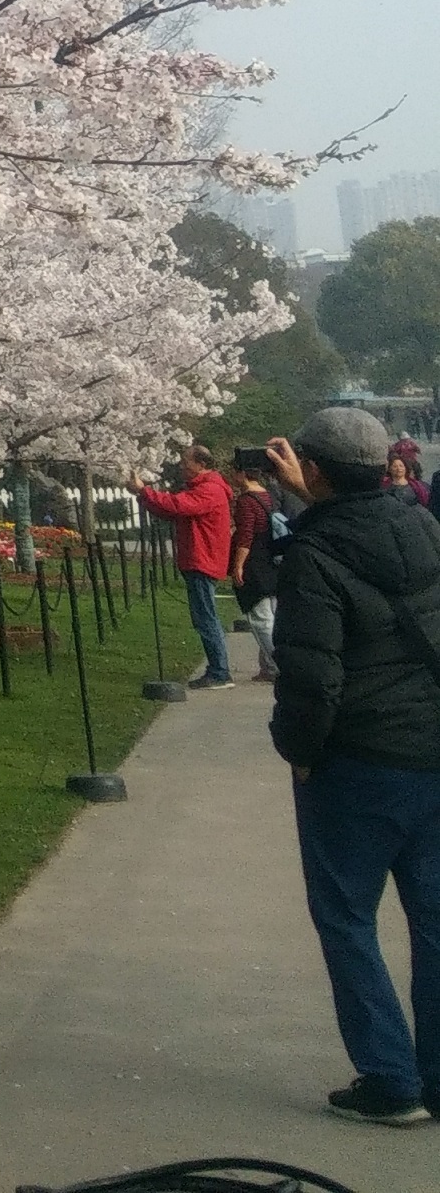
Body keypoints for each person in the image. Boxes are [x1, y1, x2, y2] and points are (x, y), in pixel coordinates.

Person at [267, 405, 440, 1129]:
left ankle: (389, 1077)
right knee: (433, 919)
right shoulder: (420, 526)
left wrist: (298, 751)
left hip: (358, 760)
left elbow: (311, 676)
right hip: (431, 748)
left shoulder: (314, 551)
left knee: (344, 915)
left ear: (312, 470)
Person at [139, 441, 239, 687]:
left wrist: (144, 492)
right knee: (203, 616)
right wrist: (144, 496)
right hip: (199, 559)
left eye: (186, 462)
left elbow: (178, 505)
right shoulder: (206, 488)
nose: (182, 466)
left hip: (202, 560)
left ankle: (219, 672)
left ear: (201, 464)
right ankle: (217, 669)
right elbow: (173, 510)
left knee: (206, 617)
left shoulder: (210, 489)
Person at [236, 451, 294, 681]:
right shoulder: (268, 496)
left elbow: (245, 536)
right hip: (271, 559)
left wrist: (238, 565)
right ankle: (268, 667)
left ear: (241, 474)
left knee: (261, 620)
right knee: (271, 613)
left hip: (255, 561)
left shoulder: (246, 501)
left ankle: (281, 665)